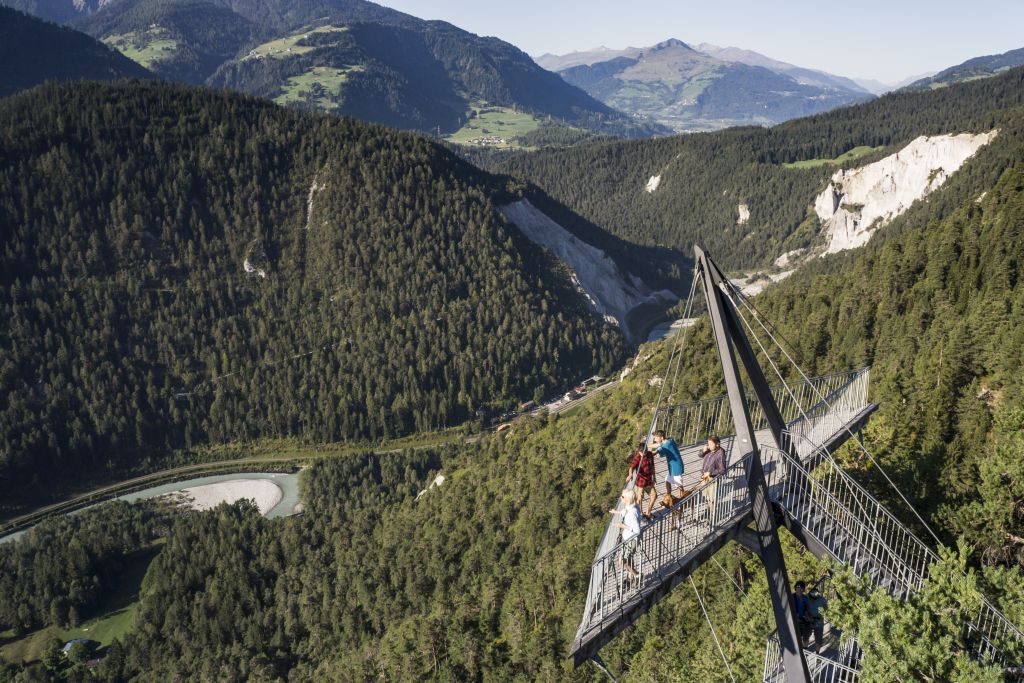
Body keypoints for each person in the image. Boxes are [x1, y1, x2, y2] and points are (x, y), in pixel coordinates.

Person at [609, 489, 642, 588]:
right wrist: (616, 512)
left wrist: (623, 526)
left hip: (631, 540)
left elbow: (637, 530)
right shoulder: (632, 507)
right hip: (628, 539)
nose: (621, 497)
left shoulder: (631, 513)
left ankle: (637, 575)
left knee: (622, 561)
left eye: (622, 496)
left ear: (627, 499)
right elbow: (625, 511)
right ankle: (631, 577)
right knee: (627, 559)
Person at [651, 430, 688, 499]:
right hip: (673, 467)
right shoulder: (670, 440)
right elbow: (659, 445)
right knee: (667, 480)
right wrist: (647, 446)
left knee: (678, 485)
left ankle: (682, 499)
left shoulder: (666, 446)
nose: (654, 439)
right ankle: (669, 496)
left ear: (661, 437)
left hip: (676, 467)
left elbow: (655, 452)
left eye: (656, 437)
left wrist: (647, 454)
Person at [627, 438, 657, 519]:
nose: (645, 454)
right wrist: (630, 475)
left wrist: (654, 477)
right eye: (643, 453)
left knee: (654, 496)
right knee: (639, 499)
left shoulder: (649, 454)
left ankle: (648, 513)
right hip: (641, 482)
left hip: (649, 481)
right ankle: (640, 514)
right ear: (639, 452)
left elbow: (652, 466)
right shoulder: (637, 457)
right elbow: (631, 467)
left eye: (646, 452)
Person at [700, 435, 727, 520]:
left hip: (713, 479)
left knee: (712, 499)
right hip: (704, 477)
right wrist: (703, 451)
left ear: (717, 444)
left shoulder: (720, 453)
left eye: (711, 444)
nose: (709, 446)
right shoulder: (709, 450)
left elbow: (722, 470)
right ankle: (708, 512)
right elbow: (700, 455)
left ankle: (712, 516)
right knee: (706, 497)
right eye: (708, 444)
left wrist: (710, 473)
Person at [806, 585, 828, 653]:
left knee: (818, 638)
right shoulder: (806, 598)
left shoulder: (822, 600)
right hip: (808, 620)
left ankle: (817, 653)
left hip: (818, 621)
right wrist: (807, 616)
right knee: (806, 636)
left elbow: (826, 609)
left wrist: (821, 615)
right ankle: (804, 650)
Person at [792, 581, 811, 645]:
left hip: (803, 618)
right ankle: (797, 645)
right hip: (795, 619)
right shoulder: (792, 597)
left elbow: (808, 608)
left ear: (803, 589)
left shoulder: (805, 598)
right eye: (797, 587)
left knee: (808, 630)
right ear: (795, 588)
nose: (799, 589)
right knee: (797, 634)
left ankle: (805, 644)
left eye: (801, 587)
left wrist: (807, 615)